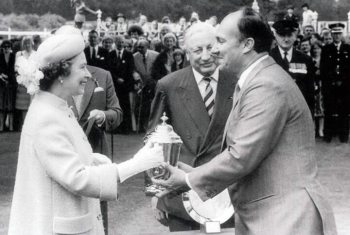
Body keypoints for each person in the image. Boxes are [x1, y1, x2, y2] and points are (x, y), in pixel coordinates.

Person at [153, 8, 337, 235]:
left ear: (247, 44)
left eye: (220, 41)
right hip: (273, 215)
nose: (215, 50)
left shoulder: (266, 85)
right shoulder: (258, 79)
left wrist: (189, 179)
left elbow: (242, 156)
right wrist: (196, 173)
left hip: (287, 218)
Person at [8, 25, 163, 235]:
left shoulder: (54, 106)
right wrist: (137, 164)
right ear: (62, 72)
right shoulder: (47, 116)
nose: (88, 74)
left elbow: (61, 158)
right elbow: (77, 178)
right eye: (82, 67)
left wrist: (92, 159)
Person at [148, 22, 236, 232]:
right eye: (197, 50)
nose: (205, 56)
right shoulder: (168, 85)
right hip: (183, 193)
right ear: (186, 53)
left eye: (210, 48)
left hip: (229, 192)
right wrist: (155, 192)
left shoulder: (237, 81)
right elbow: (153, 140)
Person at [68, 64, 122, 235]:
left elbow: (117, 112)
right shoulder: (50, 75)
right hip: (65, 153)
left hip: (95, 153)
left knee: (98, 214)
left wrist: (104, 115)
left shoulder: (103, 75)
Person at [270, 19, 315, 115]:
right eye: (282, 35)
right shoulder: (268, 58)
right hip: (274, 112)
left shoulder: (306, 59)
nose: (286, 39)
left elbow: (310, 91)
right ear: (275, 36)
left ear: (295, 36)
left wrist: (310, 115)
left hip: (298, 111)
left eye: (289, 35)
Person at [320, 23, 350, 143]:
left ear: (342, 34)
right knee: (329, 109)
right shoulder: (326, 49)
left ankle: (344, 135)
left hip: (345, 85)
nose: (337, 36)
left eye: (339, 33)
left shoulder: (348, 48)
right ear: (331, 34)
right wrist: (331, 81)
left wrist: (343, 81)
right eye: (335, 33)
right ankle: (328, 135)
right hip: (330, 85)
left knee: (344, 110)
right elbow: (324, 68)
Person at [108, 35, 135, 133]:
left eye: (122, 42)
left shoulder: (129, 54)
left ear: (124, 43)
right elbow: (109, 69)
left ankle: (126, 128)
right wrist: (116, 79)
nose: (120, 44)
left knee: (125, 106)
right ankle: (115, 128)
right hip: (114, 85)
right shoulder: (110, 54)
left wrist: (124, 80)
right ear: (115, 43)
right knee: (115, 106)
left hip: (125, 85)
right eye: (118, 42)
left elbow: (130, 69)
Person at [133, 39, 159, 132]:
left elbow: (159, 68)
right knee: (142, 106)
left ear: (147, 46)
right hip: (141, 84)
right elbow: (133, 70)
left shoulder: (156, 55)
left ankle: (153, 125)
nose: (139, 49)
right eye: (138, 47)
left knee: (153, 105)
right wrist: (137, 78)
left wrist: (154, 79)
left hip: (153, 83)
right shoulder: (134, 57)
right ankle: (142, 126)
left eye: (141, 47)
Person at [15, 37, 36, 131]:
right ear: (23, 44)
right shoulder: (19, 55)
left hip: (33, 83)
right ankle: (24, 126)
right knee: (23, 108)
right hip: (22, 83)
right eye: (26, 43)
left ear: (32, 44)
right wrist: (22, 75)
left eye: (29, 43)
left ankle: (32, 126)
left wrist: (32, 76)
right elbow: (16, 69)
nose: (27, 45)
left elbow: (39, 67)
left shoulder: (36, 54)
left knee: (32, 106)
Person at [0, 40, 16, 132]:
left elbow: (13, 69)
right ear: (2, 48)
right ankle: (1, 126)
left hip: (11, 82)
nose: (6, 49)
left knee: (10, 105)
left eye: (8, 47)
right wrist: (1, 75)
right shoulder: (0, 56)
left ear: (10, 48)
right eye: (5, 47)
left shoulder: (13, 56)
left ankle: (11, 126)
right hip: (1, 82)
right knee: (1, 104)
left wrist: (8, 77)